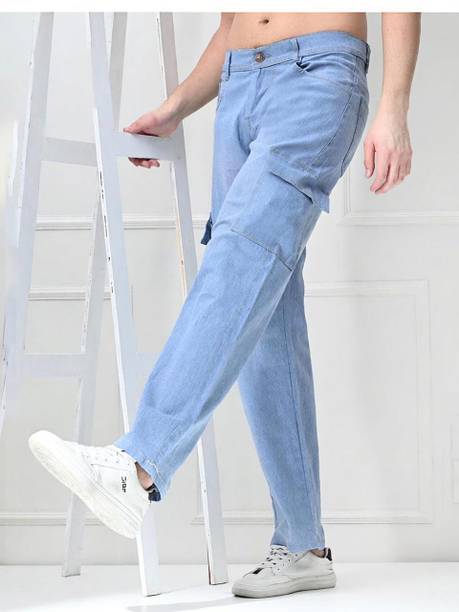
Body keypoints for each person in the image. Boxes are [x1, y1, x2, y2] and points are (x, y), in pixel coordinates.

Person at [29, 12, 420, 599]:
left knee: (240, 259)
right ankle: (304, 546)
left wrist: (394, 104)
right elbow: (233, 23)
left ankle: (137, 465)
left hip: (318, 76)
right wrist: (177, 105)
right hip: (238, 86)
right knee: (264, 311)